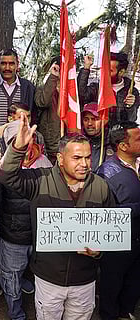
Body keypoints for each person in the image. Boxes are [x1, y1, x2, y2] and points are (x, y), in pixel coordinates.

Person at [0, 113, 116, 320]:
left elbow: (111, 232)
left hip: (85, 280)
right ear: (60, 159)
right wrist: (18, 148)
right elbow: (7, 176)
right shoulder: (39, 181)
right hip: (48, 279)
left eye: (88, 157)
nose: (85, 164)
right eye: (77, 158)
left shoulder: (102, 187)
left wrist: (99, 252)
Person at [0, 120, 52, 320]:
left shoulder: (47, 166)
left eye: (28, 140)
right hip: (13, 237)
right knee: (11, 278)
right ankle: (16, 314)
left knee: (43, 276)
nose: (25, 146)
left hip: (41, 237)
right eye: (17, 141)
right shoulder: (2, 168)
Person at [97, 121, 140, 320]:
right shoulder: (106, 173)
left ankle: (126, 312)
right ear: (123, 146)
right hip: (118, 245)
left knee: (134, 282)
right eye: (138, 138)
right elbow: (106, 213)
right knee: (111, 286)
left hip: (138, 242)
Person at [78, 53, 140, 128]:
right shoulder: (97, 88)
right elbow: (81, 96)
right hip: (100, 136)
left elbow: (131, 119)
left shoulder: (132, 92)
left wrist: (130, 106)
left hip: (121, 136)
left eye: (110, 71)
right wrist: (86, 68)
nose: (105, 73)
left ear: (121, 72)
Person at [35, 58, 61, 164]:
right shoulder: (43, 88)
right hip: (50, 147)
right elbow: (43, 102)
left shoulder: (72, 91)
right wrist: (53, 77)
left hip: (69, 144)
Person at [81, 103, 113, 171]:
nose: (89, 123)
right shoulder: (79, 142)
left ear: (104, 120)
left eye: (94, 119)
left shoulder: (112, 142)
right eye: (86, 120)